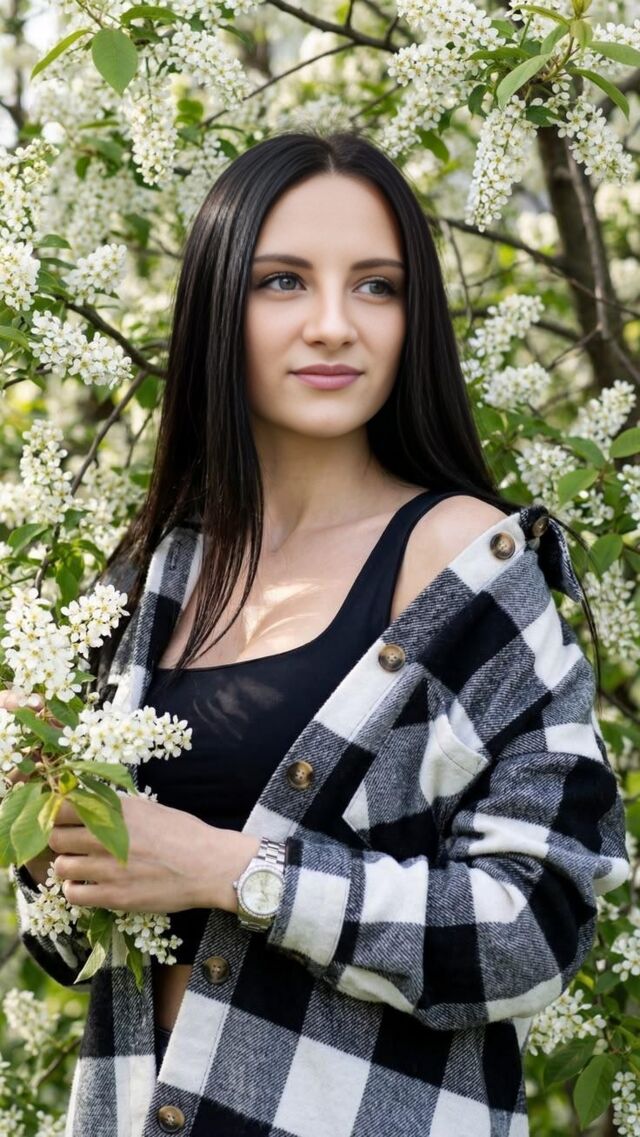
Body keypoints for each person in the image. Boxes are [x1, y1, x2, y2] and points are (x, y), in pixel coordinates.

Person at [9, 128, 629, 1137]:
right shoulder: (157, 573)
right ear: (219, 305)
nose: (335, 325)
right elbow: (80, 951)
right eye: (284, 281)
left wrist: (233, 870)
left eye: (377, 286)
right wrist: (51, 837)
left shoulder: (468, 569)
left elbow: (536, 929)